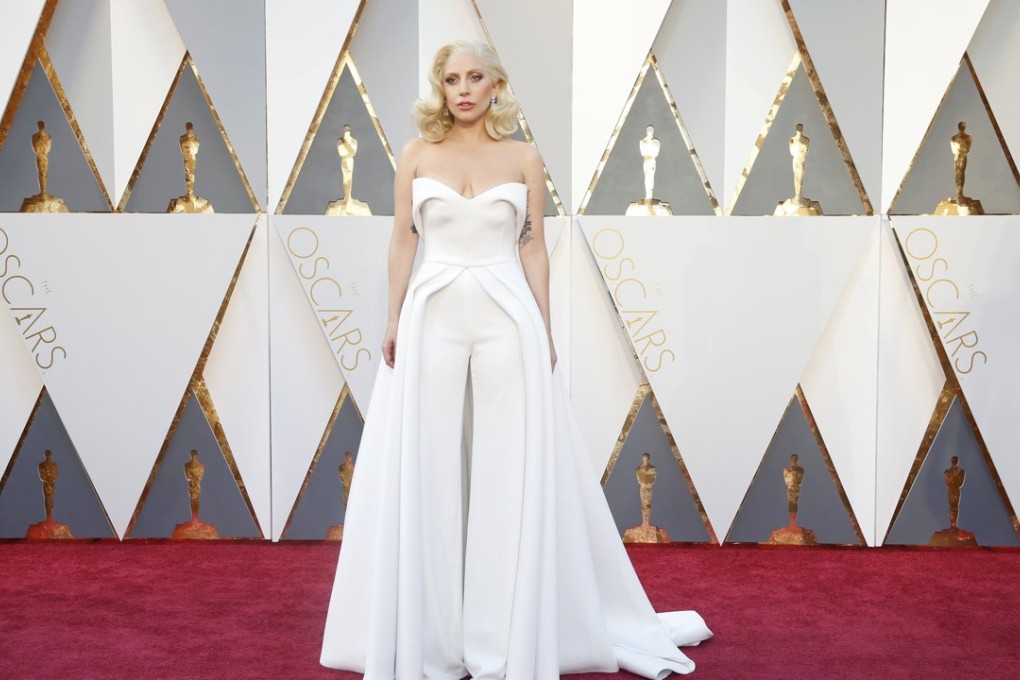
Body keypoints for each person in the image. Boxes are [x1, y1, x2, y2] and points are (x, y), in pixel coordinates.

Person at [320, 40, 711, 679]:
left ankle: (501, 635)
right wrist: (392, 319)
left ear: (496, 85)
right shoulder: (415, 154)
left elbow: (534, 249)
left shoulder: (524, 157)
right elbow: (402, 241)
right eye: (451, 79)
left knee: (508, 466)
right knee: (430, 466)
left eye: (475, 77)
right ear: (441, 87)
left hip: (507, 315)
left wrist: (544, 327)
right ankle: (431, 638)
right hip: (432, 312)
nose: (463, 89)